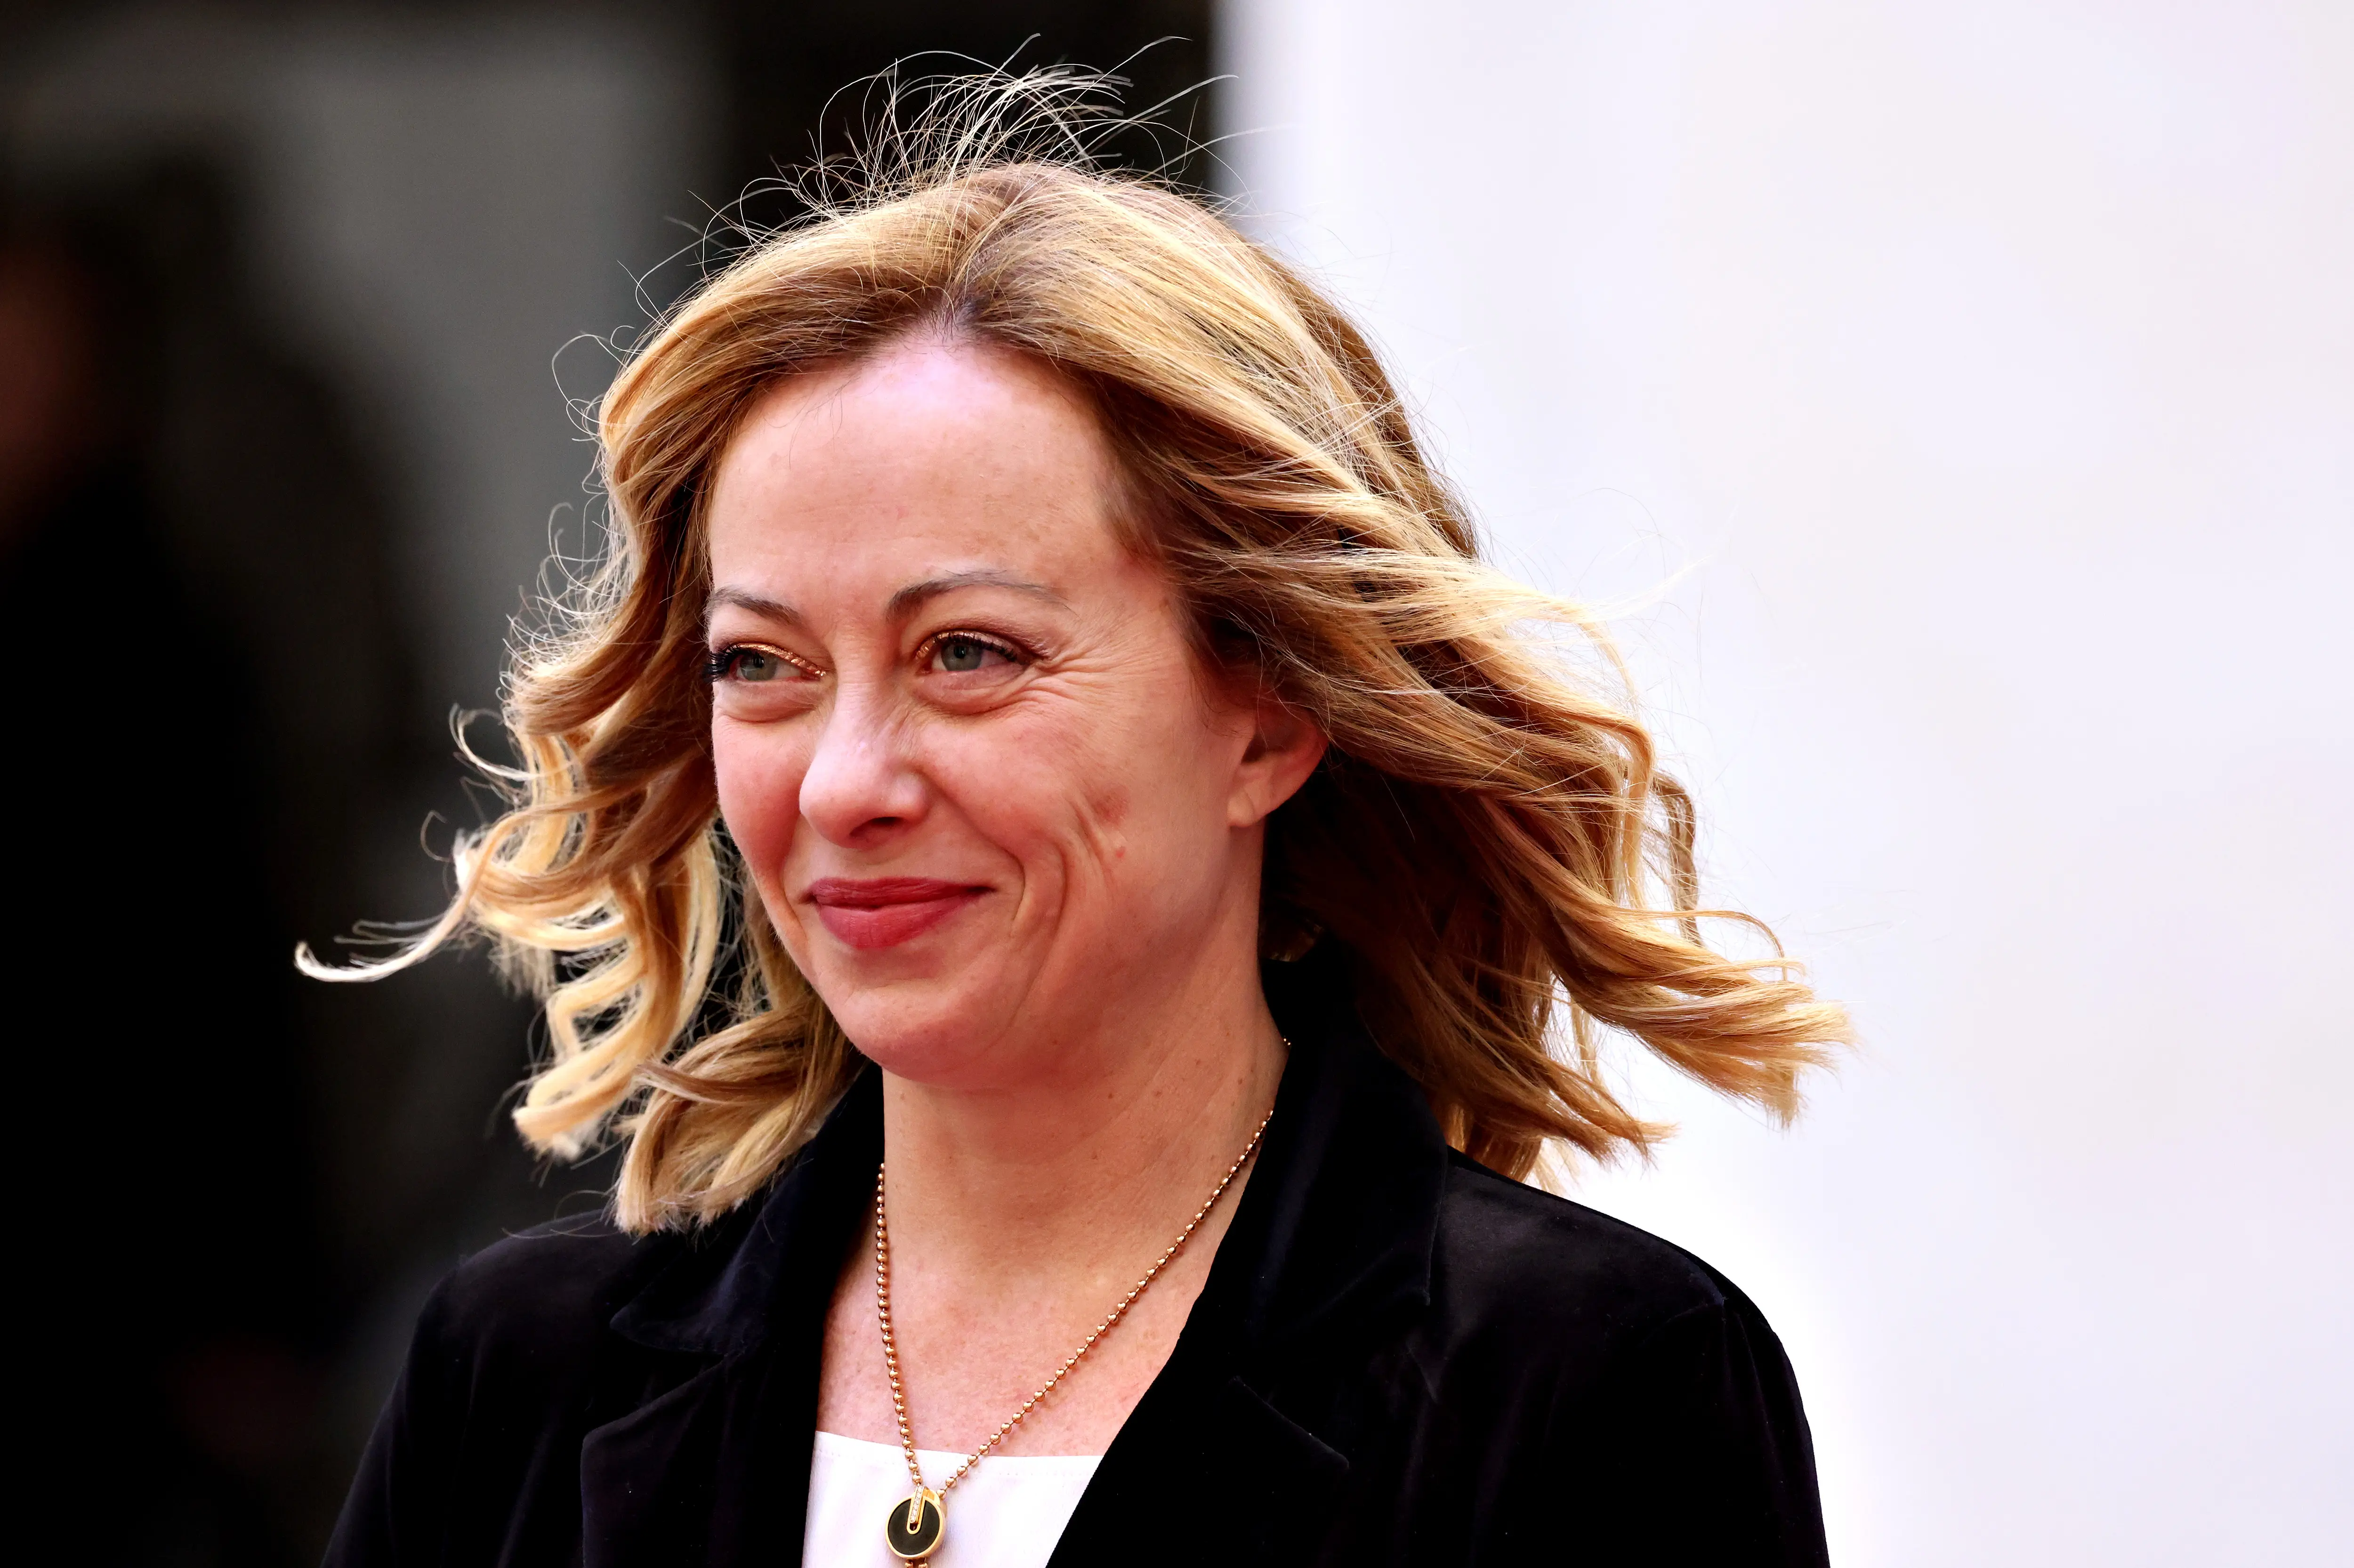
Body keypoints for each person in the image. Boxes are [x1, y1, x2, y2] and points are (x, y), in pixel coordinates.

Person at [316, 74, 1851, 1568]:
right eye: (762, 665)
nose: (844, 783)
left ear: (1269, 716)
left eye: (968, 653)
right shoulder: (516, 1380)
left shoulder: (1588, 1389)